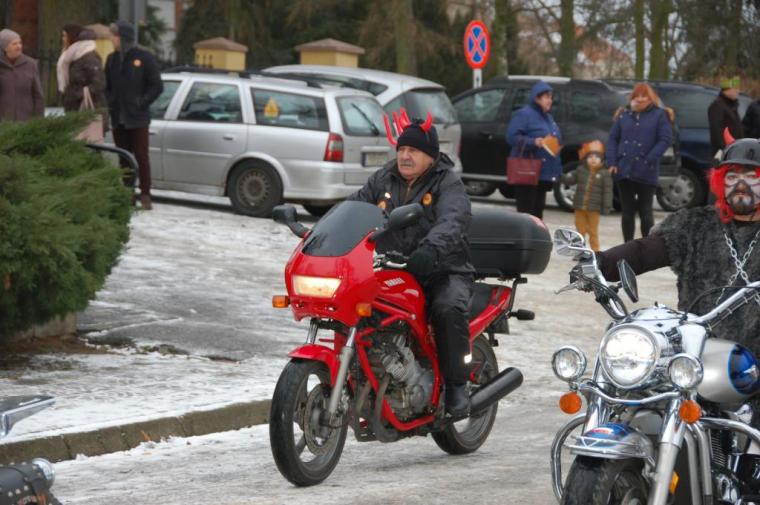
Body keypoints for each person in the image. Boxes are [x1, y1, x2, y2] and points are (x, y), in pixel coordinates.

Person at [347, 117, 474, 417]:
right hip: (392, 267)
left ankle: (457, 386)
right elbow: (353, 207)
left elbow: (453, 219)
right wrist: (322, 232)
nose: (405, 156)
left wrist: (431, 249)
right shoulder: (383, 179)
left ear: (430, 156)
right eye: (401, 149)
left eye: (413, 151)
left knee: (446, 309)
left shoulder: (447, 182)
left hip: (443, 268)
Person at [596, 133, 760, 359]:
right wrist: (600, 263)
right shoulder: (695, 224)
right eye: (732, 176)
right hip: (699, 351)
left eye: (751, 177)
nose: (740, 185)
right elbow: (645, 251)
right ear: (720, 181)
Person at [105, 20, 162, 210]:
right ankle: (127, 193)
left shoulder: (144, 58)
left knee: (141, 156)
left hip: (138, 118)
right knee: (124, 157)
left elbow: (157, 86)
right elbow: (107, 86)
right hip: (118, 118)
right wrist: (111, 101)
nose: (111, 39)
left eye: (114, 35)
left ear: (123, 38)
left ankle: (145, 194)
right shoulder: (112, 60)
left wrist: (141, 102)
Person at [607, 83, 673, 242]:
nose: (640, 99)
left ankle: (647, 246)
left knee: (646, 211)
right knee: (627, 212)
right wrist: (612, 162)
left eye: (644, 96)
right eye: (637, 95)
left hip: (647, 171)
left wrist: (649, 159)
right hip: (624, 170)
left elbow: (665, 140)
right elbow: (613, 139)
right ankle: (627, 246)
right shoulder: (623, 115)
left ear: (651, 98)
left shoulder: (660, 115)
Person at [506, 80, 562, 219]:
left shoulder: (548, 117)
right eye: (547, 97)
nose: (550, 101)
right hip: (527, 172)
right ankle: (525, 234)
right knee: (526, 215)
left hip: (543, 173)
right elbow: (512, 137)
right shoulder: (524, 114)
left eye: (551, 97)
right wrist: (533, 142)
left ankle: (535, 234)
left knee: (537, 214)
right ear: (537, 98)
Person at [561, 140, 613, 251]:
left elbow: (608, 192)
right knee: (579, 231)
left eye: (597, 157)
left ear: (602, 159)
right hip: (579, 207)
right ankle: (579, 251)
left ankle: (596, 252)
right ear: (585, 159)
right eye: (590, 157)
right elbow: (569, 180)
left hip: (594, 209)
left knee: (593, 232)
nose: (593, 159)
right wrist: (561, 176)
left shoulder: (605, 174)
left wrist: (606, 207)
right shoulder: (580, 170)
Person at [58, 25, 107, 128]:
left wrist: (77, 94)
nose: (63, 39)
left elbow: (99, 83)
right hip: (74, 109)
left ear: (72, 38)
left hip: (87, 110)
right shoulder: (71, 56)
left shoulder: (89, 57)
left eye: (65, 36)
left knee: (87, 137)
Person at [0, 28, 44, 122]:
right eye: (14, 44)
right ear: (5, 47)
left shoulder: (31, 64)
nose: (19, 46)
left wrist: (39, 120)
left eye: (20, 43)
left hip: (25, 121)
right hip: (4, 122)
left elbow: (38, 95)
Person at [708, 76, 744, 158]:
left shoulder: (731, 106)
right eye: (735, 88)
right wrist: (727, 150)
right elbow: (717, 133)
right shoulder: (717, 106)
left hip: (735, 151)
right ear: (727, 90)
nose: (738, 91)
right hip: (726, 153)